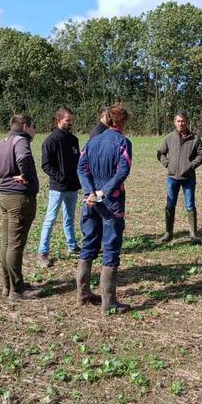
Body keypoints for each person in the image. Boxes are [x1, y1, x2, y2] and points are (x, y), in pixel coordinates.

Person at [76, 103, 133, 314]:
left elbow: (81, 168)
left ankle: (83, 294)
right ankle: (108, 302)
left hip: (90, 201)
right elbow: (122, 171)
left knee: (88, 243)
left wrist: (89, 192)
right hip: (111, 202)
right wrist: (103, 192)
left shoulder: (92, 142)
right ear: (122, 122)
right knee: (110, 248)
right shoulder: (123, 143)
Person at [0, 114, 41, 301]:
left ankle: (8, 285)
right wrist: (27, 176)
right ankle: (17, 290)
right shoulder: (21, 141)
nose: (34, 130)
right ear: (24, 127)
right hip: (19, 198)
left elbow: (0, 168)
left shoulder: (2, 142)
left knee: (7, 243)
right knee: (15, 245)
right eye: (33, 126)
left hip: (5, 196)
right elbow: (24, 158)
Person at [36, 106, 82, 268]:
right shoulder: (51, 140)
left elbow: (77, 162)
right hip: (58, 187)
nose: (71, 123)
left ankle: (72, 245)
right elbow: (46, 164)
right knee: (50, 219)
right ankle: (43, 252)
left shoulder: (74, 140)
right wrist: (60, 177)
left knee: (69, 217)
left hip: (72, 186)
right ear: (59, 121)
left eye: (72, 120)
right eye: (68, 120)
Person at [156, 112, 202, 245]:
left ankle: (193, 235)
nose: (181, 123)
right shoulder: (169, 138)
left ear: (186, 122)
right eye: (178, 121)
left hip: (188, 177)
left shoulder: (195, 138)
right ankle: (168, 233)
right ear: (174, 122)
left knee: (190, 204)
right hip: (172, 177)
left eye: (183, 121)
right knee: (170, 204)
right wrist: (167, 164)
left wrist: (191, 166)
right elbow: (160, 153)